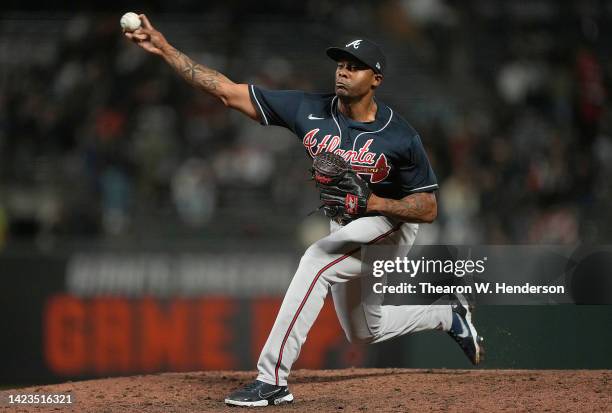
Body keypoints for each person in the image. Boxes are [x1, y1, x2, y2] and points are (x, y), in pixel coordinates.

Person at [125, 15, 484, 407]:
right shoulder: (307, 110)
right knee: (365, 329)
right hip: (348, 223)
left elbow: (429, 207)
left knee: (316, 260)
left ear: (376, 79)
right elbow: (225, 91)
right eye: (341, 64)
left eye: (355, 67)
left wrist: (374, 202)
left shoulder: (400, 135)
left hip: (390, 224)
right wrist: (164, 48)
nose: (343, 72)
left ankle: (272, 379)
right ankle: (447, 315)